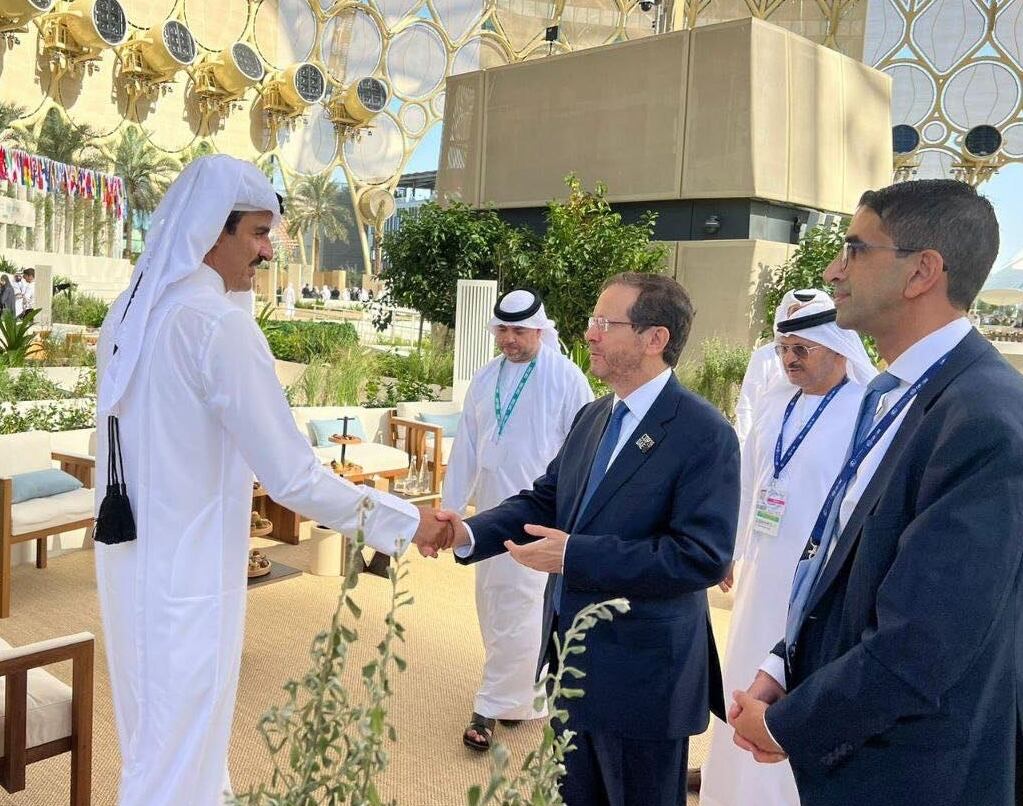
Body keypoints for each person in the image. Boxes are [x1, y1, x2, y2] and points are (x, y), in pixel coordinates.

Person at [93, 155, 453, 806]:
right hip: (189, 570)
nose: (268, 250)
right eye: (259, 233)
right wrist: (409, 522)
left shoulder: (129, 311)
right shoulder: (217, 326)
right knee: (179, 751)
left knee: (157, 735)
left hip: (129, 566)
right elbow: (291, 476)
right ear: (212, 231)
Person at [729, 180, 1023, 806]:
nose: (834, 269)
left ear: (922, 271)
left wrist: (790, 724)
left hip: (913, 772)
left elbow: (923, 643)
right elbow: (847, 559)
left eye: (855, 249)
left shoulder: (984, 417)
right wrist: (785, 663)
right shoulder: (898, 393)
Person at [439, 272, 740, 806]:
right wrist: (467, 531)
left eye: (606, 323)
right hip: (573, 664)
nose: (590, 334)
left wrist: (574, 554)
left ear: (655, 339)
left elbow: (699, 558)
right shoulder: (594, 416)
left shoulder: (704, 433)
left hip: (644, 678)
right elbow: (546, 500)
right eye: (591, 322)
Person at [700, 292, 875, 806]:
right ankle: (730, 789)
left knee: (793, 690)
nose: (790, 359)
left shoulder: (865, 411)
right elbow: (750, 483)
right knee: (741, 677)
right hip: (759, 575)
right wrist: (730, 550)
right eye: (783, 349)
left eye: (803, 348)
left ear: (838, 347)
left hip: (818, 586)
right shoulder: (776, 405)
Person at [443, 289, 593, 751]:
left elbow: (584, 448)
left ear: (540, 329)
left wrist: (577, 517)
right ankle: (521, 699)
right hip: (489, 512)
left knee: (523, 607)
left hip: (538, 514)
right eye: (502, 330)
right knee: (492, 603)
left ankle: (488, 707)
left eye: (519, 330)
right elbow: (466, 446)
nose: (509, 339)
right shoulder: (485, 378)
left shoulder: (566, 379)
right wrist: (450, 511)